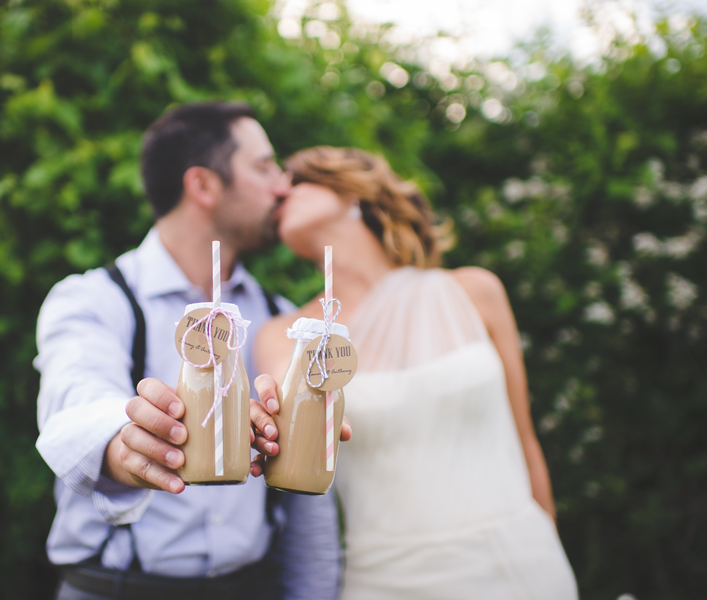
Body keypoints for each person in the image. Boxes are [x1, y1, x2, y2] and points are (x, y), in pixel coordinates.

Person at [34, 103, 344, 600]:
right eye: (264, 167)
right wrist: (128, 440)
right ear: (202, 185)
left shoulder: (281, 318)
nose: (282, 186)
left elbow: (306, 504)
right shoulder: (95, 299)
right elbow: (74, 395)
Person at [251, 146, 578, 599]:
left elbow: (525, 441)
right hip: (387, 580)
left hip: (521, 565)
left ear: (353, 192)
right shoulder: (284, 336)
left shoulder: (474, 292)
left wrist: (549, 545)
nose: (280, 189)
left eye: (298, 179)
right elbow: (288, 449)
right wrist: (264, 421)